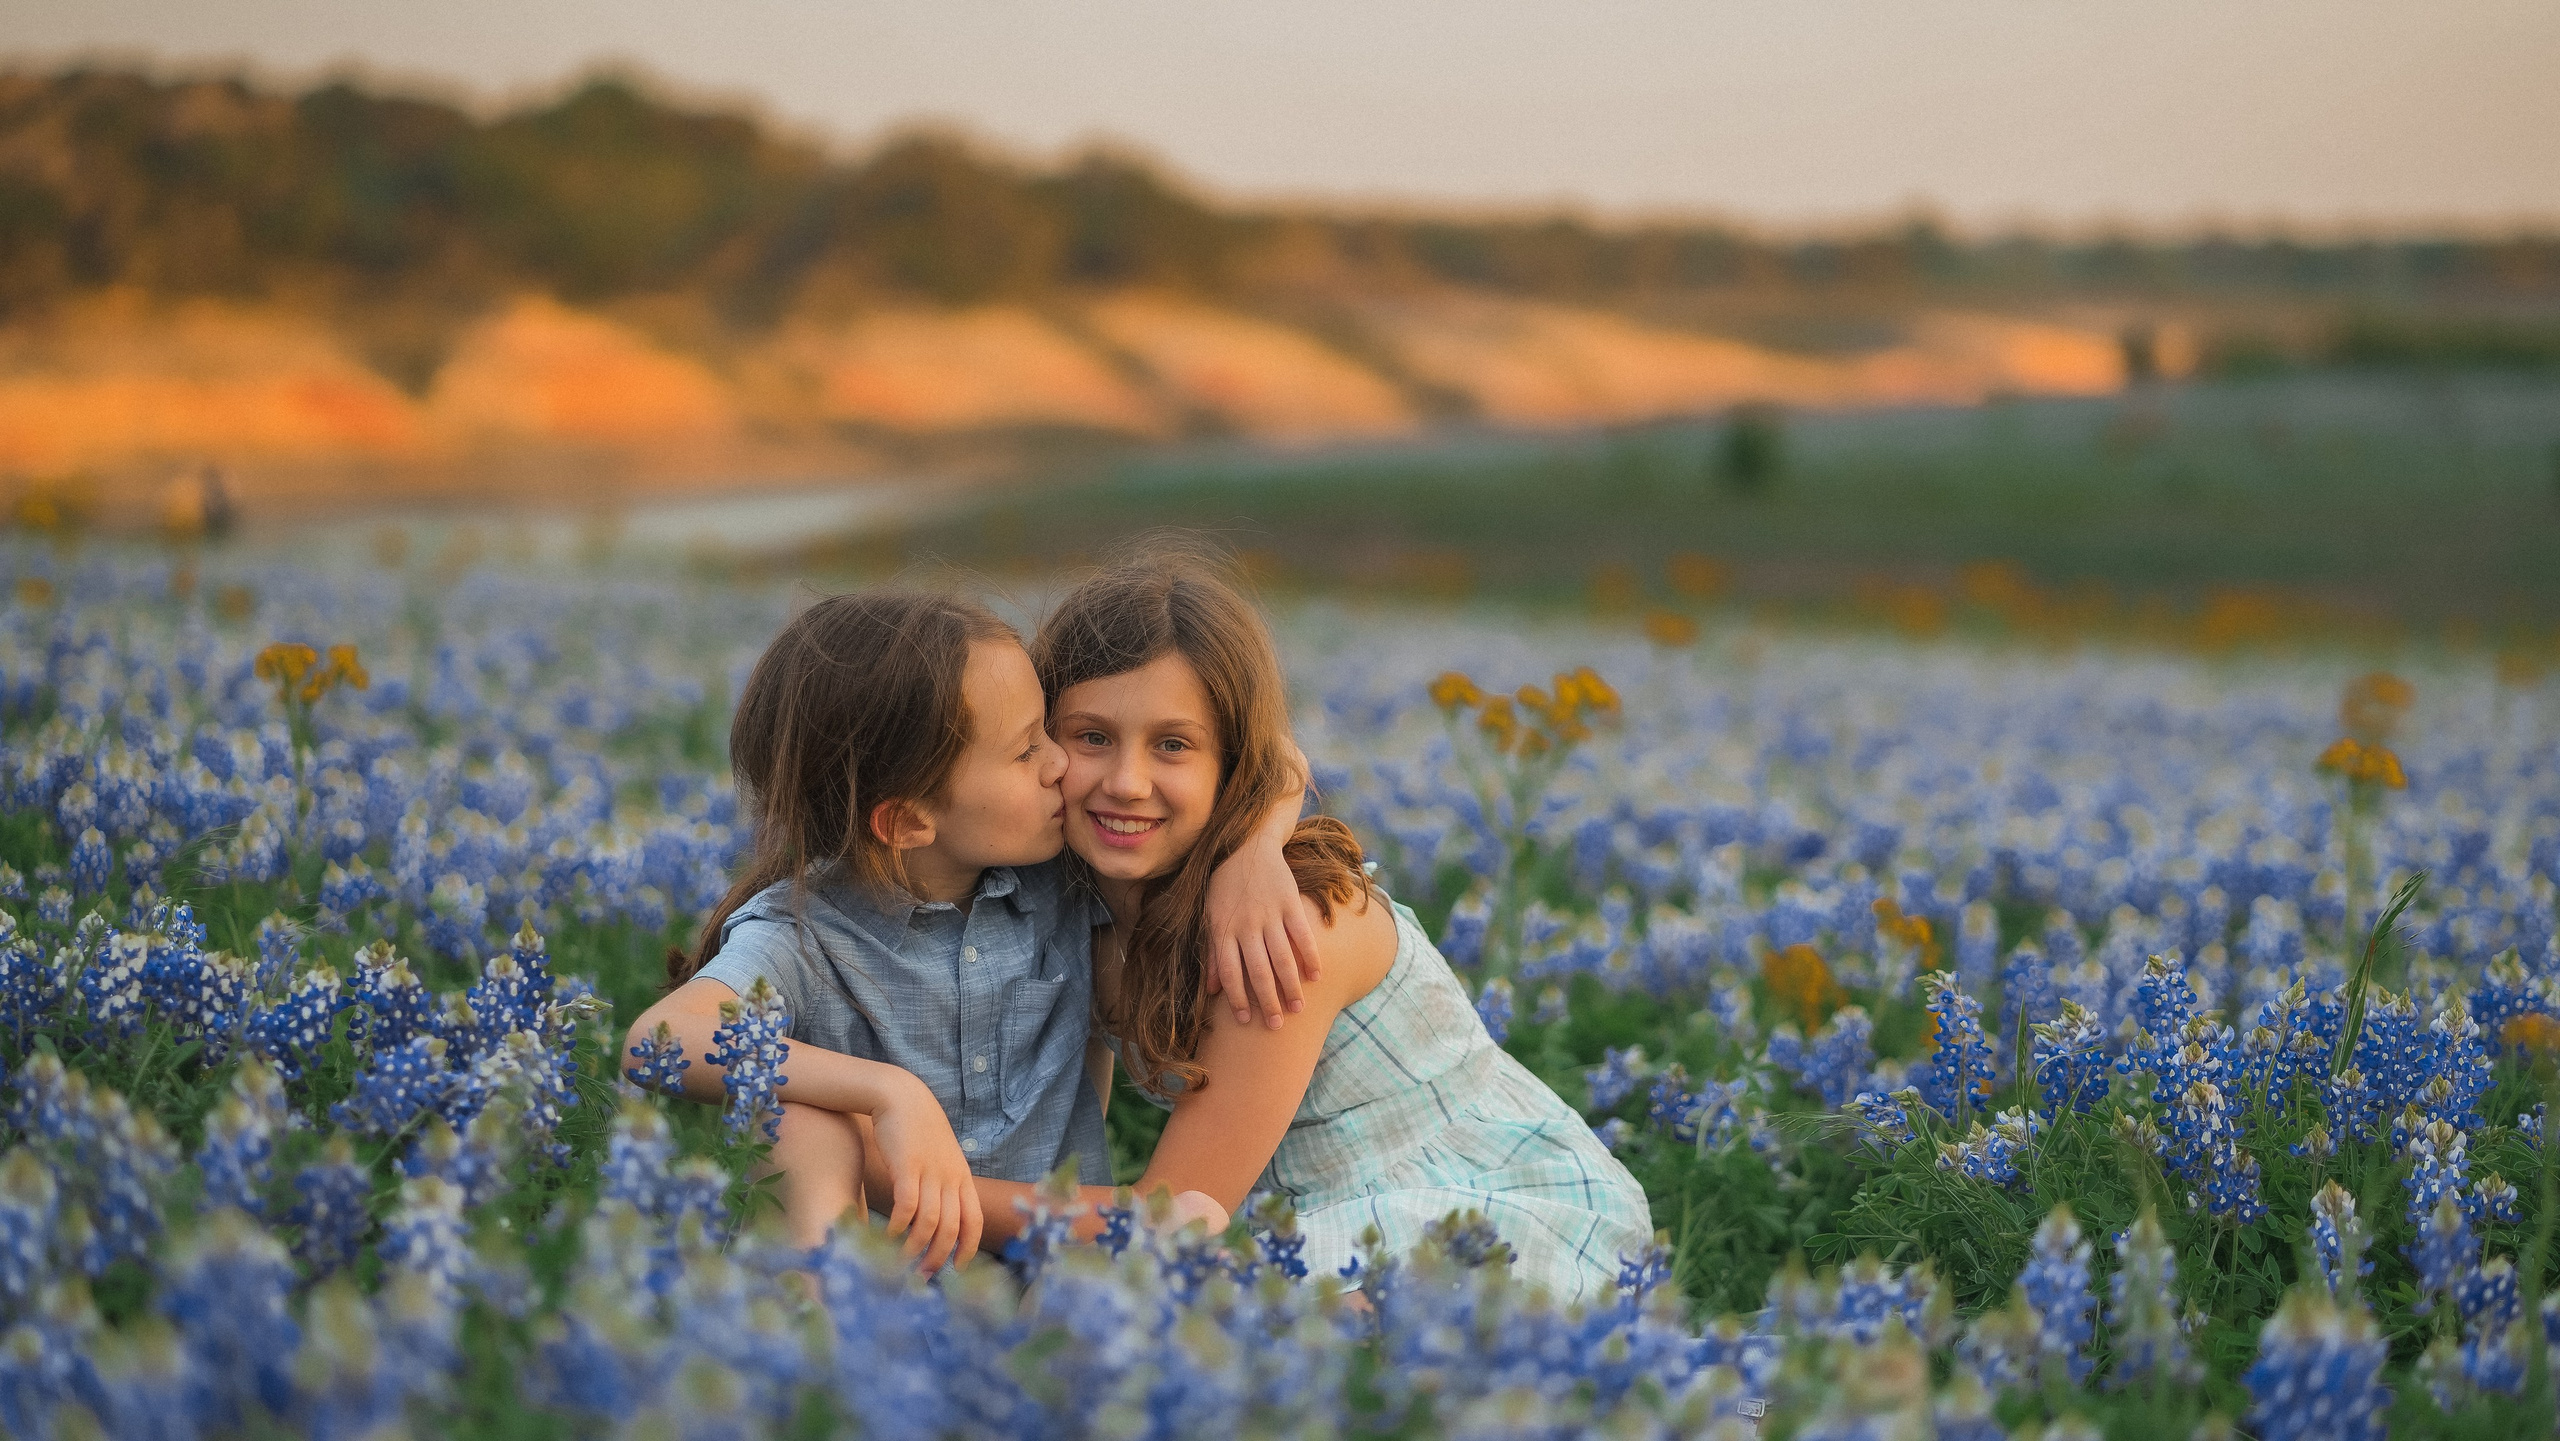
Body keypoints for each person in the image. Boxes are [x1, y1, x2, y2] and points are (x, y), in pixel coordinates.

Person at [964, 553, 1654, 1304]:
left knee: (1249, 1320)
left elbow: (1164, 1222)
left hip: (1490, 1212)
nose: (1127, 782)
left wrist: (913, 1187)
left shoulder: (1286, 931)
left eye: (1173, 744)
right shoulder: (1079, 911)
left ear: (1232, 764)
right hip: (1296, 1222)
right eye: (1092, 737)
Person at [625, 590, 1314, 1270]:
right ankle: (817, 1330)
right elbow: (658, 1040)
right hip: (887, 1272)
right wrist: (887, 1091)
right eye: (1026, 750)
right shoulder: (801, 934)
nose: (1060, 764)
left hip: (1048, 1263)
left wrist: (1254, 854)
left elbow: (1271, 754)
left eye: (1052, 733)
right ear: (907, 821)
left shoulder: (1060, 878)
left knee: (1176, 1236)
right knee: (800, 1124)